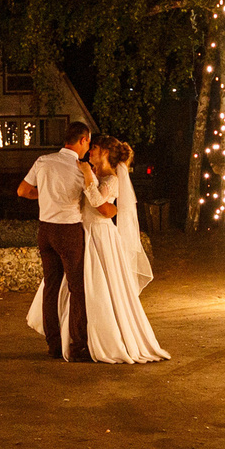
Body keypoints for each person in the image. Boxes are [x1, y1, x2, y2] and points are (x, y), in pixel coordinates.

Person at [26, 135, 166, 363]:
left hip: (100, 236)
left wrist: (87, 175)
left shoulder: (111, 179)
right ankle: (73, 337)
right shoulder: (91, 174)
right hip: (80, 232)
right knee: (75, 286)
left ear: (106, 153)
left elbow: (98, 203)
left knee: (98, 287)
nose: (90, 151)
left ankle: (99, 338)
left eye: (95, 148)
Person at [17, 119, 96, 362]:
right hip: (68, 230)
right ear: (82, 140)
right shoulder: (81, 169)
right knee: (77, 287)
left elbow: (22, 191)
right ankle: (78, 345)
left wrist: (45, 195)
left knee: (51, 286)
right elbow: (94, 199)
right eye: (88, 143)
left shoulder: (43, 161)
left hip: (45, 230)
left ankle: (53, 344)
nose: (88, 149)